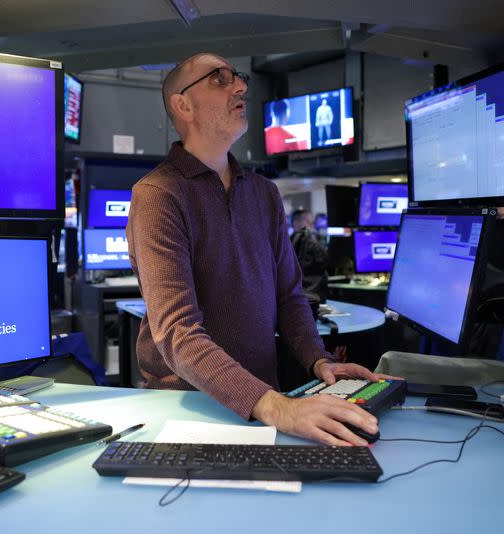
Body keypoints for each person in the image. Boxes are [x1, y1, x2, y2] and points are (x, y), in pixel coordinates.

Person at [126, 52, 396, 446]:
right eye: (219, 79)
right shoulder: (157, 195)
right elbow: (178, 334)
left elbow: (289, 296)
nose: (240, 86)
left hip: (260, 403)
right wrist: (275, 406)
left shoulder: (263, 193)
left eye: (237, 77)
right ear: (182, 105)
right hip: (188, 408)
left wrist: (318, 360)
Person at [290, 208, 328, 302]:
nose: (311, 225)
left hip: (292, 301)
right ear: (295, 222)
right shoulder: (315, 244)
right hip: (316, 300)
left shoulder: (284, 244)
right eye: (309, 222)